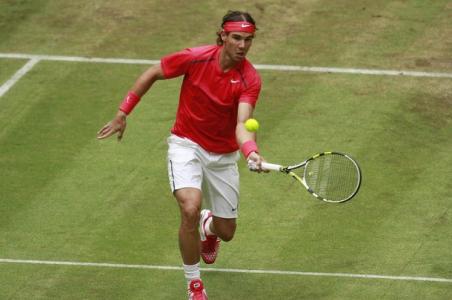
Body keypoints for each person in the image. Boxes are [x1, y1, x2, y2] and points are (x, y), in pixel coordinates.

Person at [97, 10, 264, 300]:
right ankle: (194, 283)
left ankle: (208, 225)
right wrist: (123, 113)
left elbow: (242, 123)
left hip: (223, 156)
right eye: (237, 38)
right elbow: (153, 72)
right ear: (223, 36)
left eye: (248, 40)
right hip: (187, 144)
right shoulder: (195, 58)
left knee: (227, 232)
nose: (242, 45)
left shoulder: (249, 79)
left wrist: (251, 152)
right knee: (189, 207)